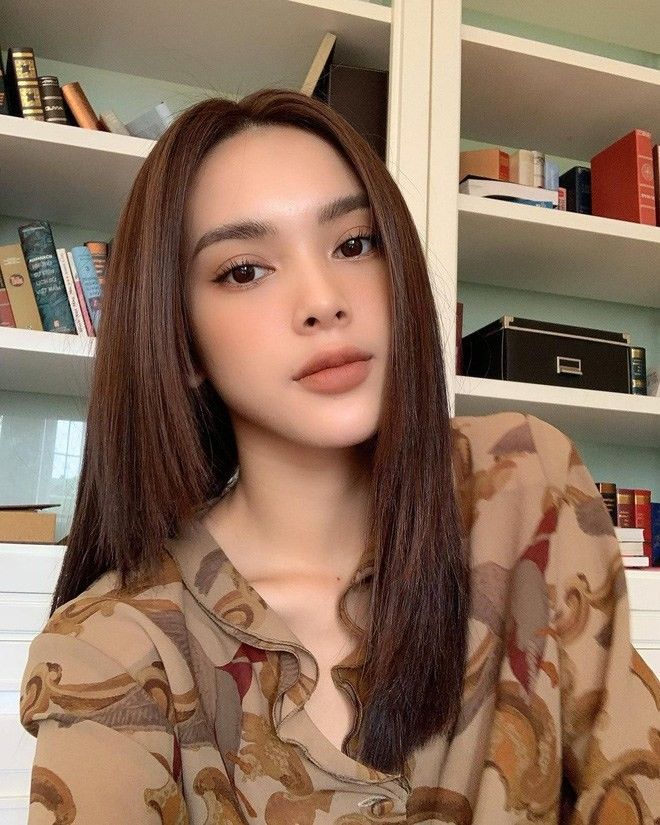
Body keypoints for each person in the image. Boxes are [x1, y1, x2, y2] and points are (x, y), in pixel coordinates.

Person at [20, 89, 659, 824]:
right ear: (180, 341)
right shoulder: (111, 646)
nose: (323, 300)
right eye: (244, 270)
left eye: (354, 245)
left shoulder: (520, 484)